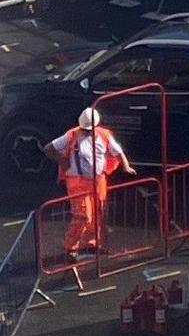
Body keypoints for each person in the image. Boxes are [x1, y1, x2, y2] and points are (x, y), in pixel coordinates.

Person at [51, 107, 130, 257]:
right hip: (77, 182)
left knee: (97, 213)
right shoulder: (72, 135)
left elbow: (118, 152)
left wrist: (126, 166)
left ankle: (92, 244)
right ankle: (70, 247)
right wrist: (62, 161)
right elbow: (50, 148)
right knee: (82, 215)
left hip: (98, 181)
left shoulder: (104, 135)